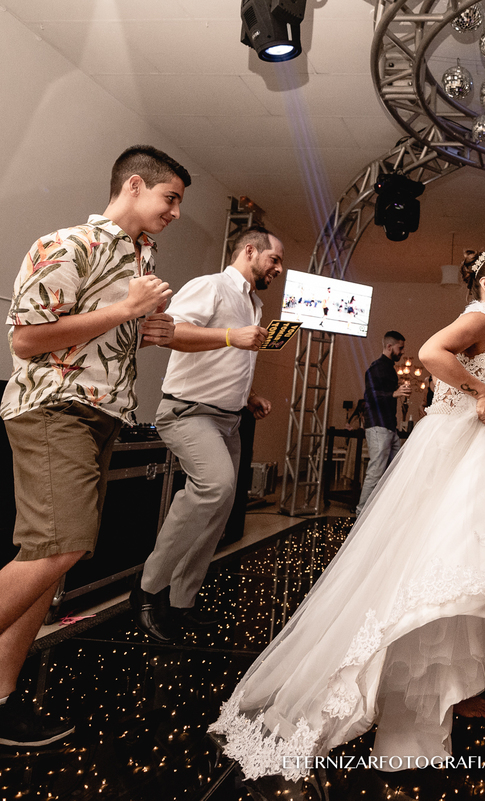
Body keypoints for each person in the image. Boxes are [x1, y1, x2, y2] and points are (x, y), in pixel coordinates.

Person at [208, 248, 485, 780]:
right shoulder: (479, 316)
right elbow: (435, 353)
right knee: (447, 572)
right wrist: (480, 390)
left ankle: (454, 690)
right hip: (464, 453)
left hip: (472, 453)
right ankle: (429, 698)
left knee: (461, 572)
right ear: (484, 285)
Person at [0, 145, 189, 781]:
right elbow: (27, 339)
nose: (174, 212)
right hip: (53, 408)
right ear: (134, 185)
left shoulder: (138, 261)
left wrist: (145, 332)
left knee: (49, 556)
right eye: (169, 198)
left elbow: (92, 330)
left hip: (100, 416)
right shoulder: (69, 244)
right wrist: (122, 312)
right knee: (59, 547)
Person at [131, 225, 284, 643]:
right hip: (188, 412)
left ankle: (181, 602)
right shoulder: (211, 286)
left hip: (228, 418)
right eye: (275, 259)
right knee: (214, 488)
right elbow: (171, 333)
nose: (279, 268)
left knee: (219, 510)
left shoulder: (252, 303)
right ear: (250, 251)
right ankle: (147, 589)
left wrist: (248, 395)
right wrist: (233, 336)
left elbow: (222, 361)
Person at [356, 331, 411, 513]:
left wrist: (398, 389)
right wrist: (394, 393)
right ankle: (361, 513)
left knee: (393, 471)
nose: (402, 352)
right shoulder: (377, 367)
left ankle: (381, 513)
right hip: (378, 426)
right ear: (389, 347)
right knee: (376, 471)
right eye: (400, 348)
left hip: (389, 426)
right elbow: (369, 396)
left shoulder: (389, 369)